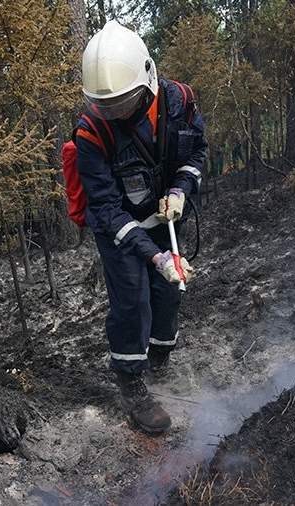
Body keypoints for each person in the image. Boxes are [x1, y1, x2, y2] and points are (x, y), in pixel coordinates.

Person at [76, 21, 207, 435]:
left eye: (122, 103)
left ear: (147, 80)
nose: (113, 113)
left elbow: (197, 150)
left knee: (168, 289)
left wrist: (182, 189)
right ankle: (132, 382)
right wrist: (153, 255)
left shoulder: (179, 102)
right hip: (118, 226)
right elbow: (106, 207)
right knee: (133, 296)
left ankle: (158, 356)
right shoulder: (92, 132)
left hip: (164, 213)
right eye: (105, 105)